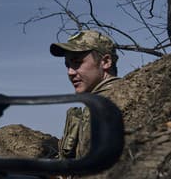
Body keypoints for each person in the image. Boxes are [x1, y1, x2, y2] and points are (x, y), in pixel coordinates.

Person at [50, 30, 121, 159]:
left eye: (77, 62)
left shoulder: (115, 102)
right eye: (68, 65)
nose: (70, 72)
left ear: (105, 62)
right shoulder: (98, 102)